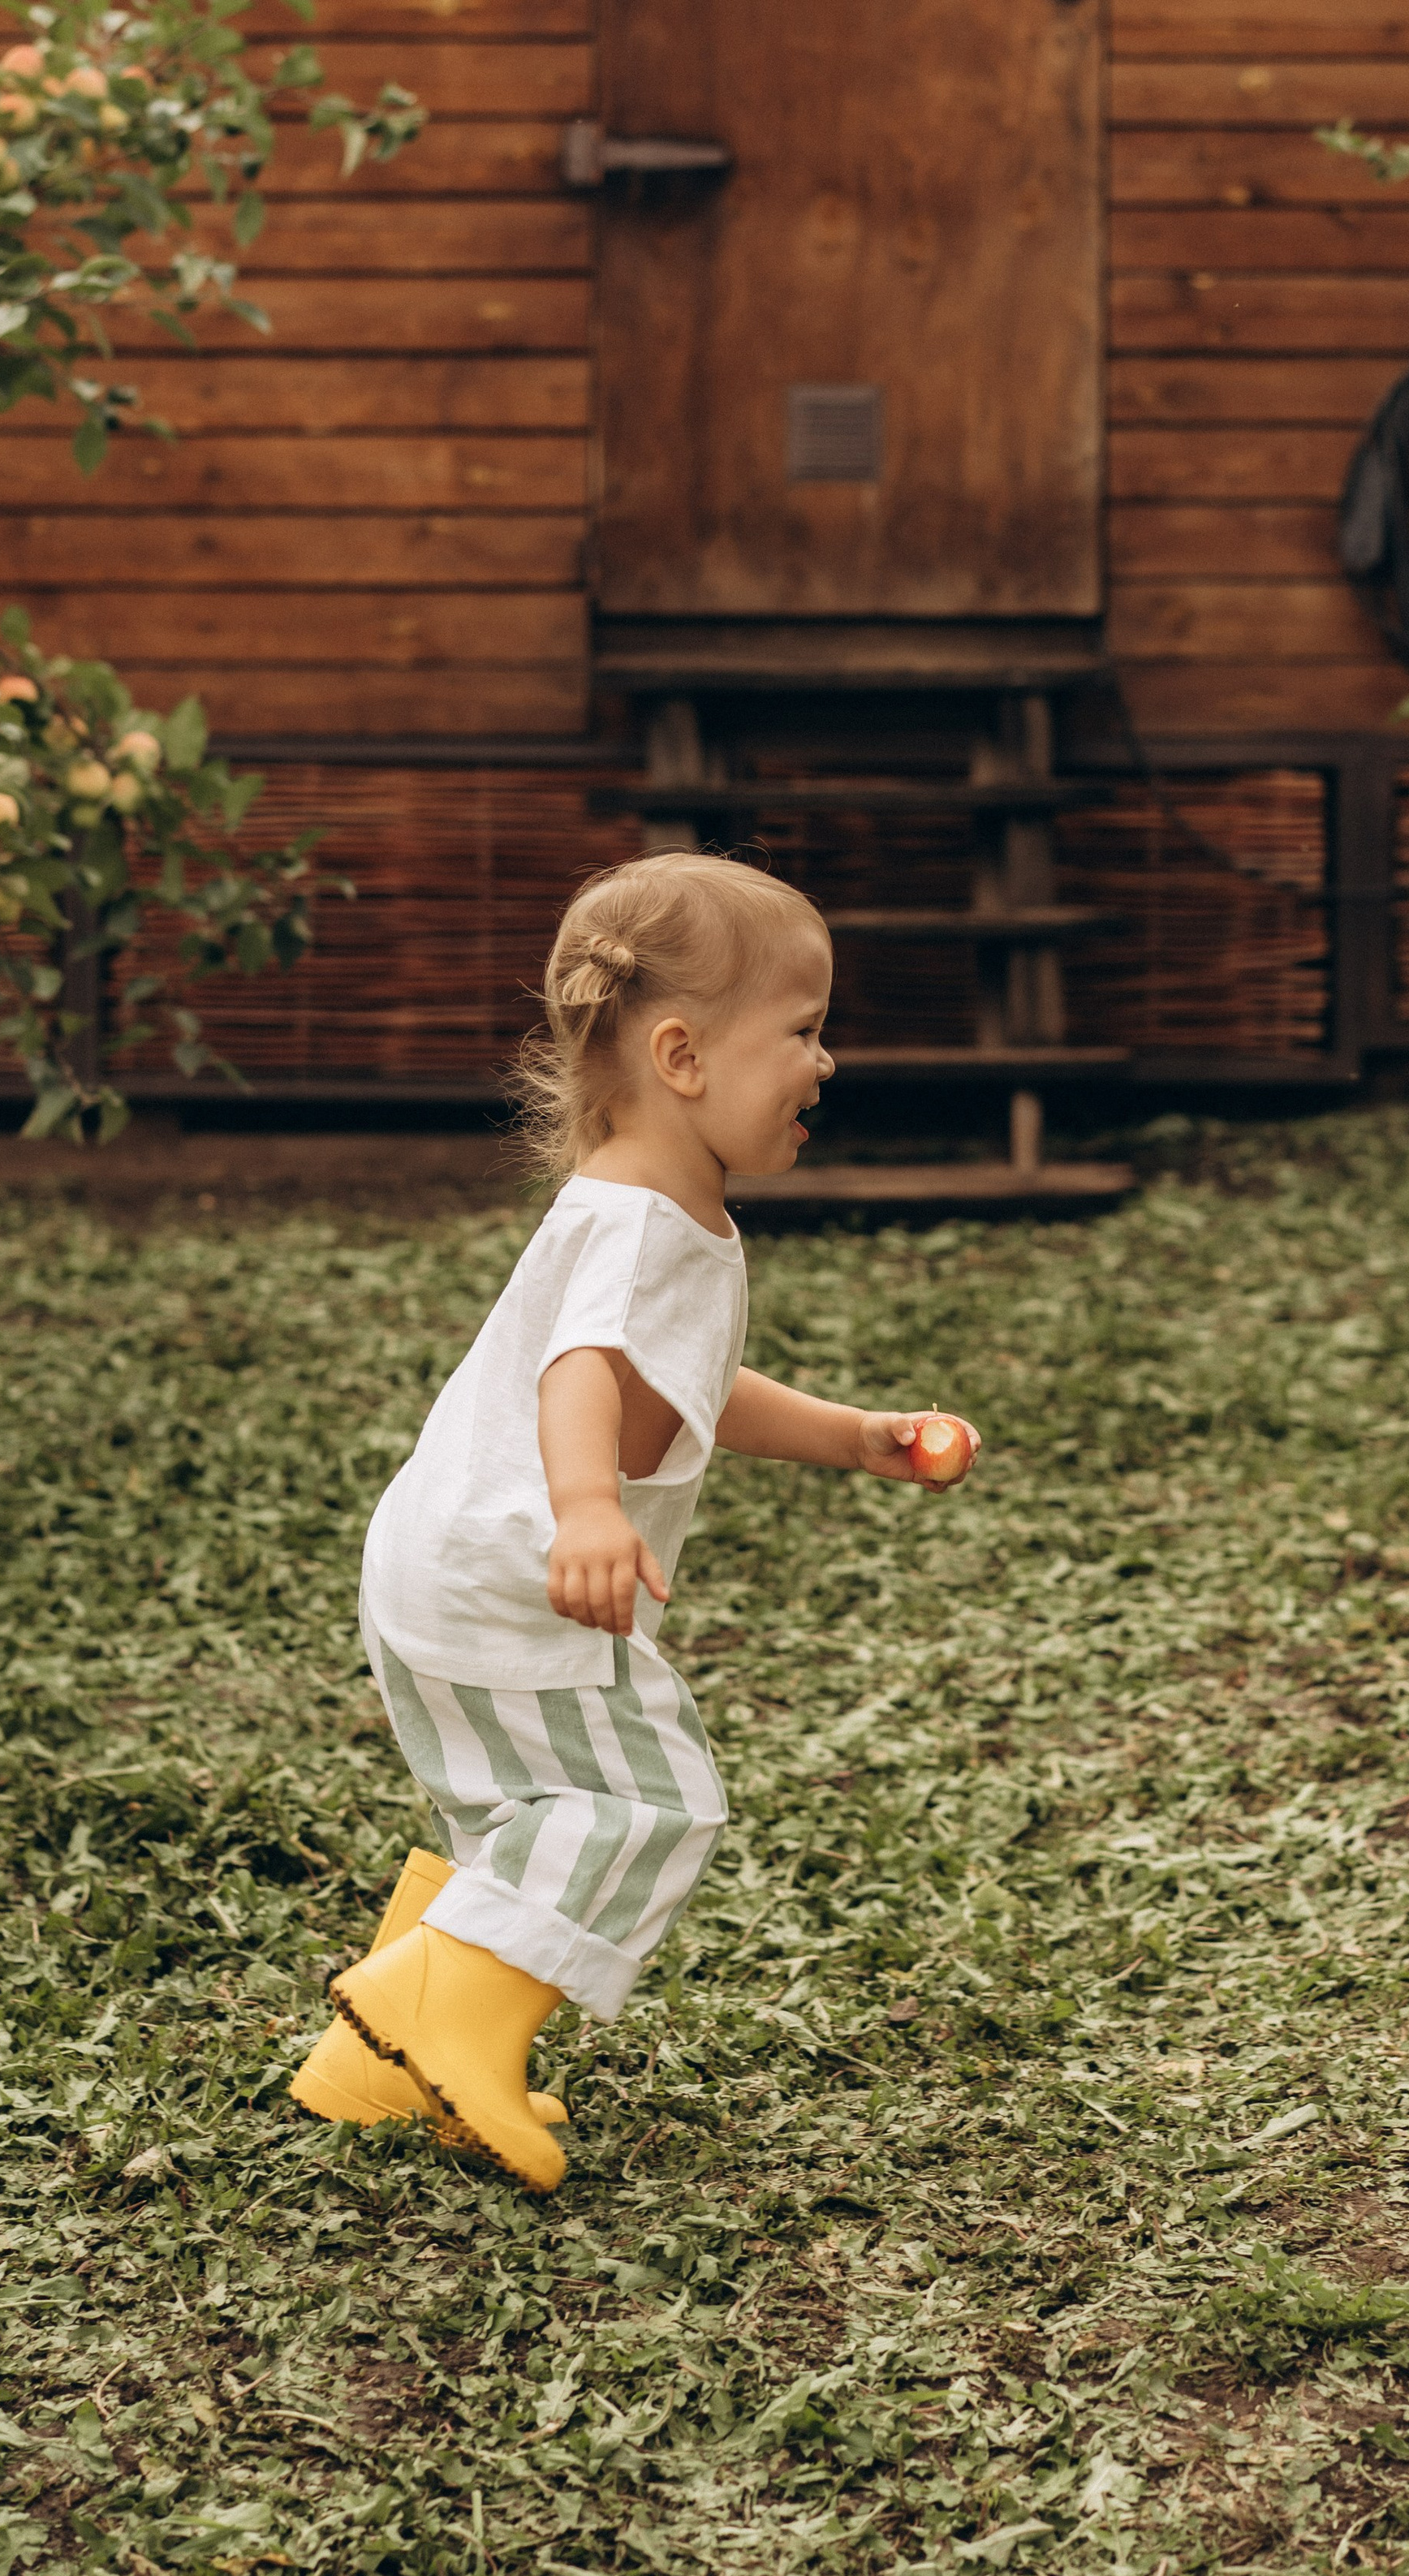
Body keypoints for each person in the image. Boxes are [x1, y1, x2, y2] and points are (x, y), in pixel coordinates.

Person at [291, 849, 980, 2190]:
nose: (825, 1064)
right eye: (801, 1031)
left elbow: (691, 1384)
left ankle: (374, 2062)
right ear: (680, 1052)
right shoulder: (648, 1224)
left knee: (525, 1812)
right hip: (511, 1572)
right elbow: (582, 1376)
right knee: (653, 1800)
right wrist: (592, 1510)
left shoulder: (640, 1207)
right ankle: (433, 2011)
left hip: (439, 1563)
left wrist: (855, 1437)